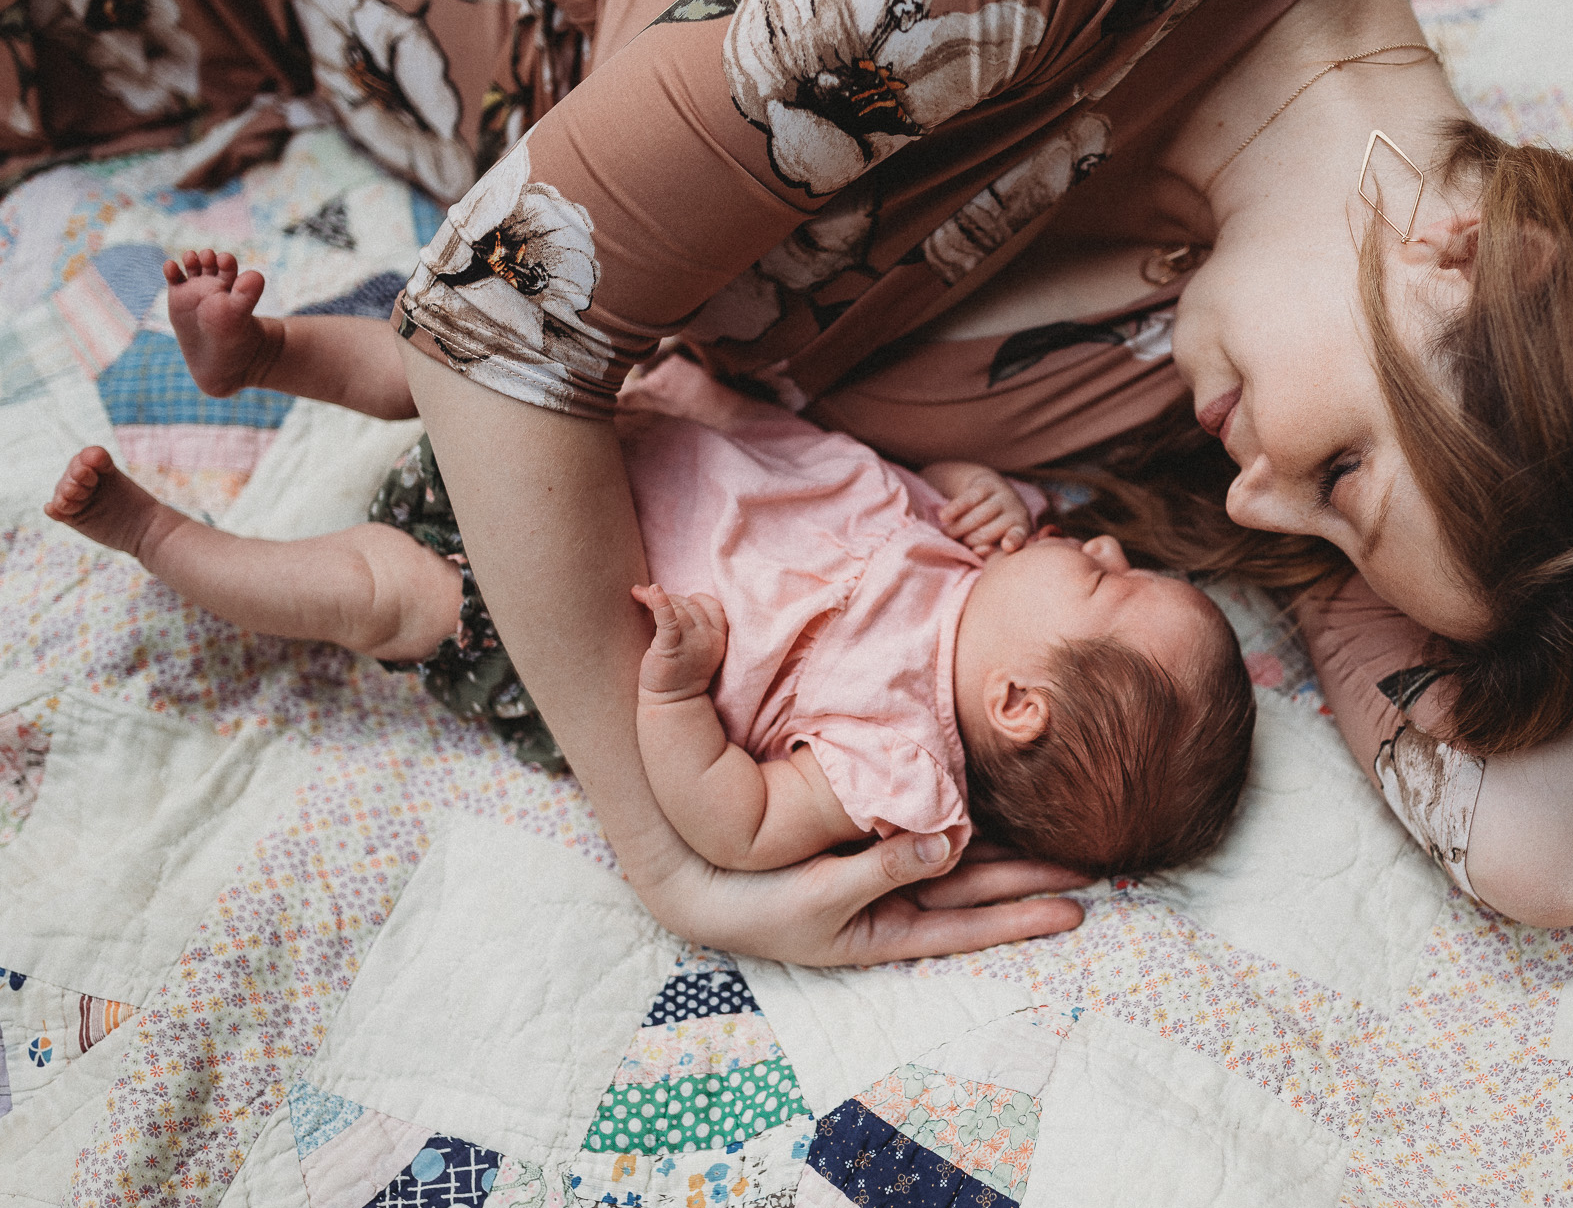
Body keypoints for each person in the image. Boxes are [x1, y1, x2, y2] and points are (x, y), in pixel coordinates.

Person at [211, 0, 1573, 964]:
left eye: (1327, 535)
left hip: (255, 46)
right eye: (1338, 477)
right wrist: (669, 857)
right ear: (1456, 254)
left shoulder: (1222, 348)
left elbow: (1538, 858)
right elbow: (487, 327)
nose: (1252, 509)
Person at [42, 252, 1256, 881]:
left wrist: (675, 695)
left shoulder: (897, 761)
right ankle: (261, 351)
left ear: (1015, 704)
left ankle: (158, 535)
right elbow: (970, 492)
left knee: (376, 591)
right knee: (447, 366)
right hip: (600, 438)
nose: (1098, 544)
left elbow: (728, 824)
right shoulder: (977, 550)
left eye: (1105, 580)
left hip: (525, 614)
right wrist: (993, 498)